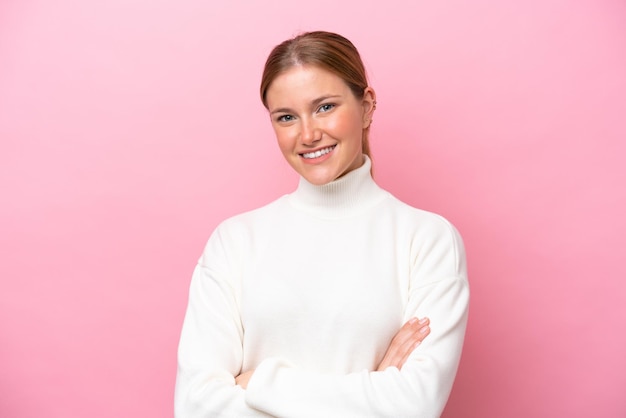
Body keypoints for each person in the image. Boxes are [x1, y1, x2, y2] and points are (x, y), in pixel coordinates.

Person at [175, 31, 469, 417]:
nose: (308, 134)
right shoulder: (235, 241)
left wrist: (260, 384)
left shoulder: (427, 240)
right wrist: (373, 392)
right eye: (286, 117)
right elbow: (196, 407)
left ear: (366, 106)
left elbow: (413, 405)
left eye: (325, 107)